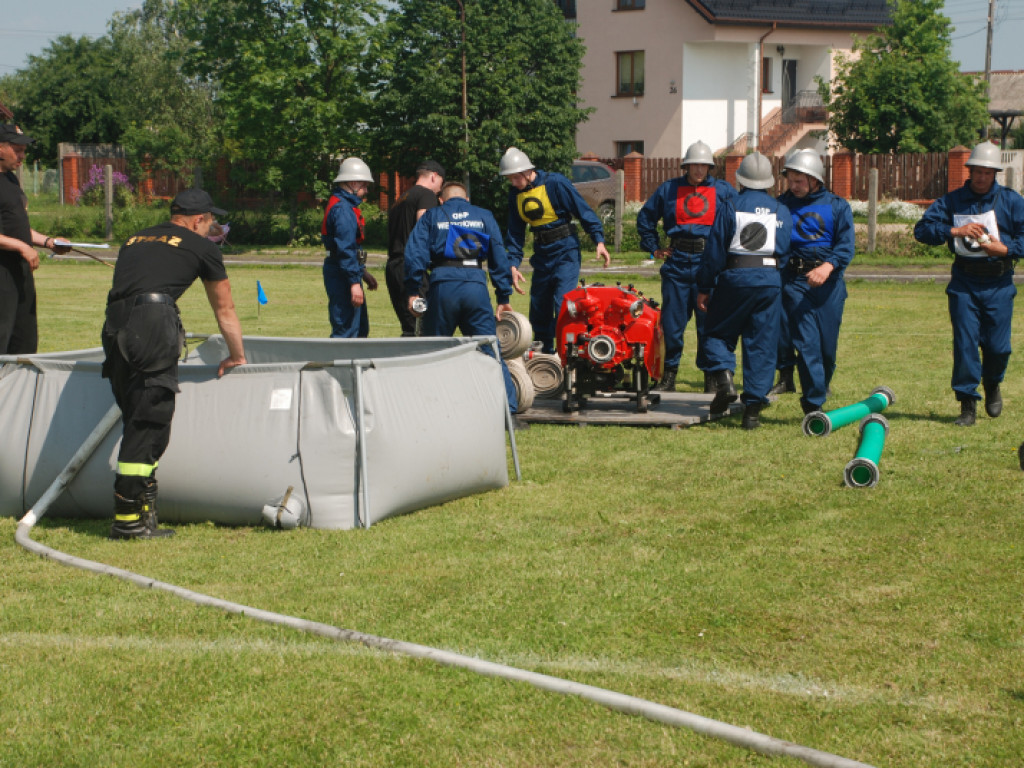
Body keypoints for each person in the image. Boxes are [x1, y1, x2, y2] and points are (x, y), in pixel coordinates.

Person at [101, 188, 246, 539]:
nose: (212, 228)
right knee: (150, 421)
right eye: (211, 221)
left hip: (114, 325)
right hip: (152, 323)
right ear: (198, 219)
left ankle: (143, 506)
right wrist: (237, 354)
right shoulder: (203, 247)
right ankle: (129, 520)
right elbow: (224, 309)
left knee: (135, 413)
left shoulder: (134, 239)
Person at [914, 141, 1024, 426]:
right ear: (970, 170)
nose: (981, 177)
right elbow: (922, 230)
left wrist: (1006, 249)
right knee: (965, 344)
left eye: (987, 172)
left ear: (995, 173)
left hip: (999, 282)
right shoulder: (951, 201)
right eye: (977, 171)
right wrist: (954, 230)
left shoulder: (1012, 201)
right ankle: (967, 405)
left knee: (999, 348)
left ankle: (992, 383)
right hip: (964, 282)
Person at [404, 180, 527, 428]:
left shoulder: (432, 216)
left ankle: (428, 409)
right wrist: (503, 297)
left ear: (442, 199)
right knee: (489, 351)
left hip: (442, 286)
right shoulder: (483, 216)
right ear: (467, 199)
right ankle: (508, 414)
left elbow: (415, 254)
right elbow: (498, 256)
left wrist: (412, 291)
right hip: (475, 287)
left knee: (434, 351)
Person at [696, 152, 792, 429]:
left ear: (740, 180)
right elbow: (784, 249)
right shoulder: (779, 210)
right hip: (769, 281)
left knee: (716, 332)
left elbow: (714, 250)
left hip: (734, 278)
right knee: (761, 344)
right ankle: (751, 412)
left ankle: (725, 379)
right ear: (769, 182)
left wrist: (705, 286)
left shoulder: (730, 206)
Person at [637, 140, 736, 393]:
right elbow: (646, 217)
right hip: (678, 263)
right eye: (695, 165)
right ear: (686, 166)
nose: (699, 171)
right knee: (672, 324)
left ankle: (711, 378)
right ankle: (668, 376)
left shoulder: (724, 191)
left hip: (709, 263)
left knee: (709, 324)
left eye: (704, 166)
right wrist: (654, 247)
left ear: (710, 167)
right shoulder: (669, 189)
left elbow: (740, 220)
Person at [500, 147, 611, 354]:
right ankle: (544, 352)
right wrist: (513, 263)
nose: (513, 183)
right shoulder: (515, 194)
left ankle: (568, 351)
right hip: (541, 253)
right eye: (510, 179)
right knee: (539, 307)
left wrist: (599, 240)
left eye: (515, 178)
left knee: (563, 305)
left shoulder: (555, 183)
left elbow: (582, 209)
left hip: (566, 250)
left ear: (527, 171)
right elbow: (515, 232)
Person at [778, 149, 855, 414]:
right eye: (790, 179)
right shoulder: (781, 206)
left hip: (830, 285)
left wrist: (827, 266)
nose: (794, 186)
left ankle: (820, 386)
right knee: (807, 345)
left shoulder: (838, 206)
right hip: (795, 284)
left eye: (800, 180)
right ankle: (813, 406)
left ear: (815, 179)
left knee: (827, 351)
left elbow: (846, 246)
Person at [0, 123, 71, 354]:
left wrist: (49, 242)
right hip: (2, 273)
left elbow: (18, 227)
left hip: (20, 272)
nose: (22, 156)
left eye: (24, 150)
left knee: (24, 344)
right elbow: (17, 239)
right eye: (17, 150)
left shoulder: (11, 181)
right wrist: (21, 246)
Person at [386, 160, 445, 336]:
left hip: (394, 267)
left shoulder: (401, 199)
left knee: (409, 327)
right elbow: (425, 228)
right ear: (434, 176)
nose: (440, 189)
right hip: (411, 268)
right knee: (423, 326)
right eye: (441, 183)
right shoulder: (426, 195)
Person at [322, 157, 379, 338]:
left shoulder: (343, 205)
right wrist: (354, 282)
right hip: (342, 273)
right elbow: (345, 249)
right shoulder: (344, 209)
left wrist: (362, 273)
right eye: (364, 186)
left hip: (344, 270)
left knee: (358, 330)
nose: (366, 191)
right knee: (346, 331)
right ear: (353, 183)